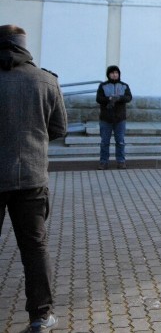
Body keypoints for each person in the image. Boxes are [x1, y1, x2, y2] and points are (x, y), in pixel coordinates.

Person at [1, 25, 67, 331]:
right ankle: (41, 316)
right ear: (25, 46)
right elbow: (59, 129)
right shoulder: (46, 80)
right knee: (35, 248)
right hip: (31, 176)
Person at [95, 65, 133, 170]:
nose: (114, 74)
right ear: (108, 74)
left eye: (116, 72)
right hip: (105, 119)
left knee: (120, 142)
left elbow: (129, 97)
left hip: (120, 119)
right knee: (104, 142)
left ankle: (121, 162)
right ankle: (103, 162)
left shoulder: (124, 86)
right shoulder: (103, 86)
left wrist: (119, 98)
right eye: (112, 73)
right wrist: (109, 99)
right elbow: (98, 99)